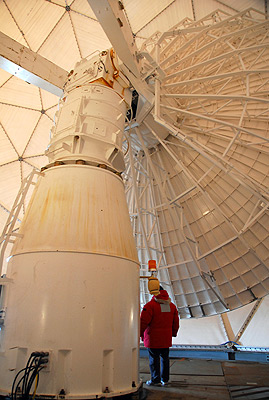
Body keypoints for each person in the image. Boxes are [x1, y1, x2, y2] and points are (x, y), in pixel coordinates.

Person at [140, 286, 179, 386]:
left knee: (154, 360)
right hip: (166, 338)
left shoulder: (150, 306)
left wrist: (139, 334)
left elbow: (143, 322)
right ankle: (165, 380)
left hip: (153, 339)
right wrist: (173, 333)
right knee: (165, 359)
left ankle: (155, 380)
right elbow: (176, 322)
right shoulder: (172, 306)